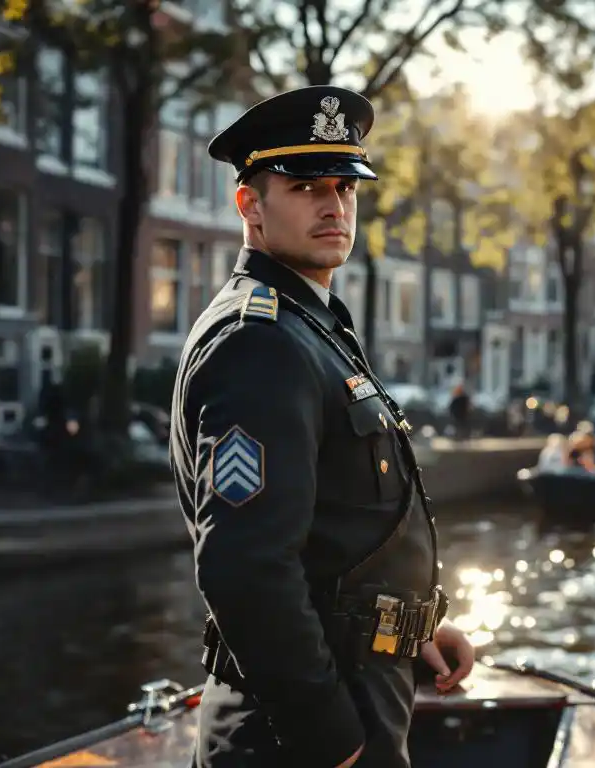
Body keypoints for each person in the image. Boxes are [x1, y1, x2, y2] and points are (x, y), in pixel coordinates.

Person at [169, 86, 474, 768]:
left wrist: (413, 626)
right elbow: (245, 567)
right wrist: (332, 740)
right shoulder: (260, 341)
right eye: (307, 187)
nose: (334, 204)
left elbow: (338, 533)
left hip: (356, 693)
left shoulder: (309, 326)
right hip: (300, 739)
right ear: (249, 204)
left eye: (345, 186)